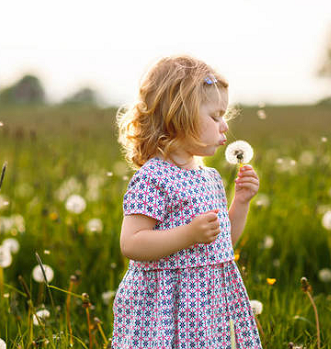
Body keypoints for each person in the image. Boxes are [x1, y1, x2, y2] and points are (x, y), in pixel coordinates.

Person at [113, 54, 262, 348]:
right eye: (215, 116)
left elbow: (221, 243)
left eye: (224, 117)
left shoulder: (210, 178)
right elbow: (131, 243)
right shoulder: (153, 178)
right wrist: (188, 234)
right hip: (164, 308)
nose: (224, 127)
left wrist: (240, 203)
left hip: (206, 308)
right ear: (179, 115)